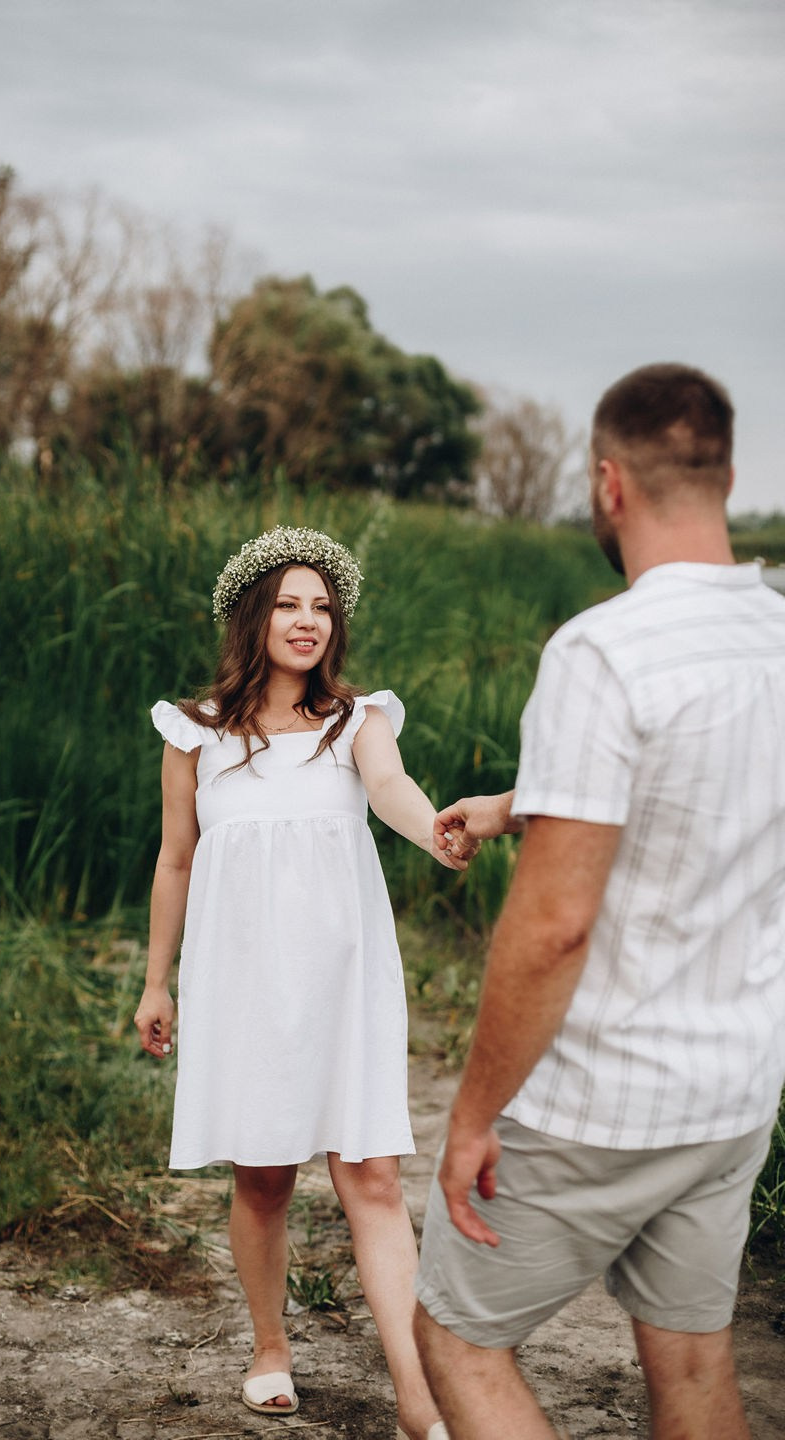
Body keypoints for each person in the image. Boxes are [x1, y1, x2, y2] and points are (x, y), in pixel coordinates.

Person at [413, 363, 785, 1440]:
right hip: (732, 1094)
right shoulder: (774, 636)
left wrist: (472, 1117)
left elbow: (552, 929)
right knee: (697, 1365)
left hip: (597, 1105)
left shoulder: (603, 652)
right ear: (722, 474)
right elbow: (706, 793)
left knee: (459, 1342)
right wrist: (519, 805)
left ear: (609, 484)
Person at [134, 525, 461, 1440]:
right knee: (265, 1175)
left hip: (343, 973)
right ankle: (269, 1347)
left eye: (323, 606)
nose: (309, 620)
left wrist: (434, 829)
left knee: (374, 1178)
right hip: (241, 977)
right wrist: (158, 983)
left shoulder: (360, 721)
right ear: (253, 615)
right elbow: (174, 861)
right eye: (289, 603)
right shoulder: (193, 732)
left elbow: (392, 788)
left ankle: (417, 1399)